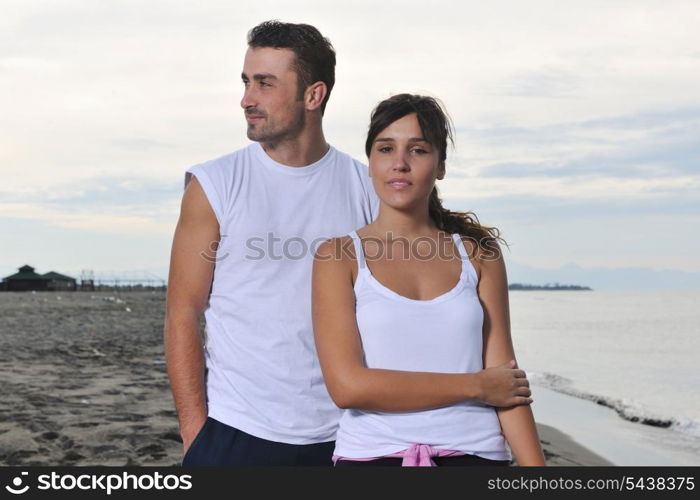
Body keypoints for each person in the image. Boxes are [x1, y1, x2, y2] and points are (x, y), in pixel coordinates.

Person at [163, 21, 382, 466]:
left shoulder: (367, 188)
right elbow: (182, 311)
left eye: (264, 84)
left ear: (313, 96)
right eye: (246, 82)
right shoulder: (215, 184)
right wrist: (195, 434)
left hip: (346, 433)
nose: (246, 99)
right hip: (236, 430)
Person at [312, 94, 546, 466]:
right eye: (386, 149)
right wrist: (476, 386)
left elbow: (507, 385)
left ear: (440, 166)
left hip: (476, 454)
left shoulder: (478, 255)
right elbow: (347, 387)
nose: (400, 164)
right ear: (370, 163)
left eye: (418, 150)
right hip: (371, 457)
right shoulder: (337, 257)